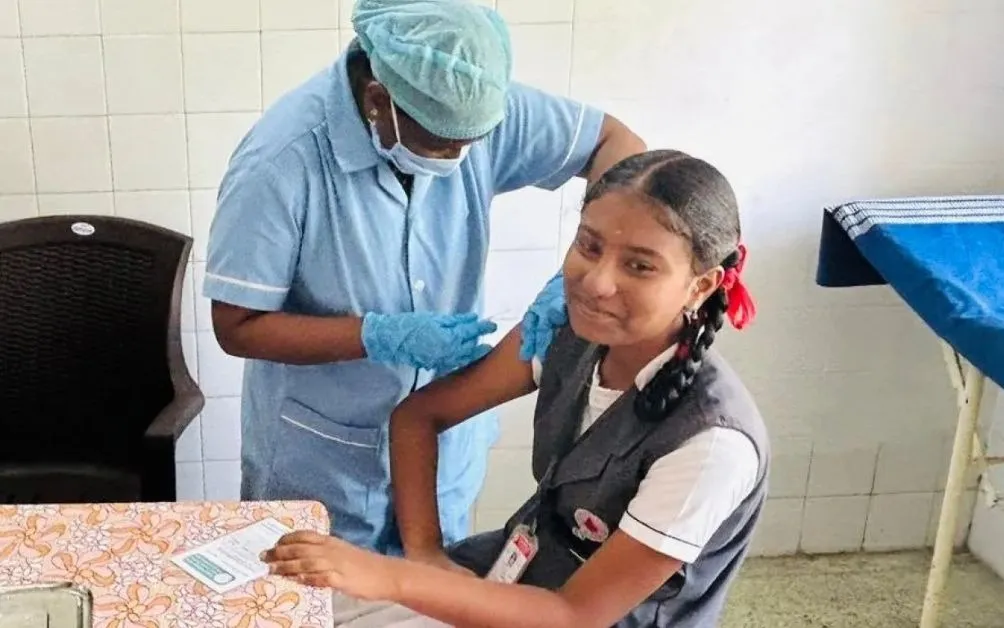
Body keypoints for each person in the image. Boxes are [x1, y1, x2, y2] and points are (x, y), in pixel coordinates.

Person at [203, 0, 645, 556]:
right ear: (376, 101)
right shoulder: (281, 162)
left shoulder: (470, 107)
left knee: (431, 589)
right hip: (322, 462)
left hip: (441, 452)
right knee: (320, 596)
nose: (462, 158)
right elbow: (235, 326)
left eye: (473, 142)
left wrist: (577, 273)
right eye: (443, 143)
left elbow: (619, 148)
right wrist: (374, 335)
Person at [263, 150, 770, 628]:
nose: (596, 282)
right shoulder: (566, 336)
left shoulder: (711, 444)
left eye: (639, 265)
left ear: (702, 285)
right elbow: (419, 417)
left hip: (579, 616)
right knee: (290, 600)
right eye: (589, 246)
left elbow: (575, 615)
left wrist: (390, 575)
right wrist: (425, 555)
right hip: (512, 575)